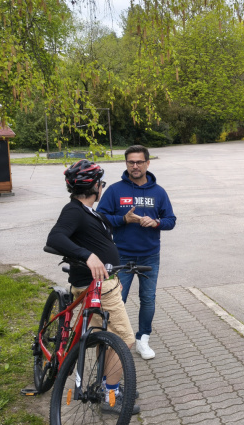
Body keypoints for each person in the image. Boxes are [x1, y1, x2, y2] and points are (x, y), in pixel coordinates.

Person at [46, 159, 140, 415]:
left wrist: (123, 219)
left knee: (105, 339)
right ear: (95, 186)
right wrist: (87, 256)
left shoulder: (86, 211)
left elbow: (99, 229)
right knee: (125, 339)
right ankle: (111, 394)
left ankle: (108, 385)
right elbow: (55, 237)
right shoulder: (74, 211)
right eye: (101, 184)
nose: (102, 188)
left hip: (103, 285)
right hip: (97, 287)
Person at [97, 145, 176, 360]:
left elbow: (171, 220)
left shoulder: (158, 192)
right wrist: (124, 219)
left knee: (148, 299)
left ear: (147, 163)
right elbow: (99, 218)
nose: (135, 166)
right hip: (120, 256)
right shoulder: (115, 190)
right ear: (126, 164)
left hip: (150, 255)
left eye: (139, 162)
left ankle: (143, 340)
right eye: (131, 162)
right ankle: (115, 341)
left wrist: (157, 222)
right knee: (116, 299)